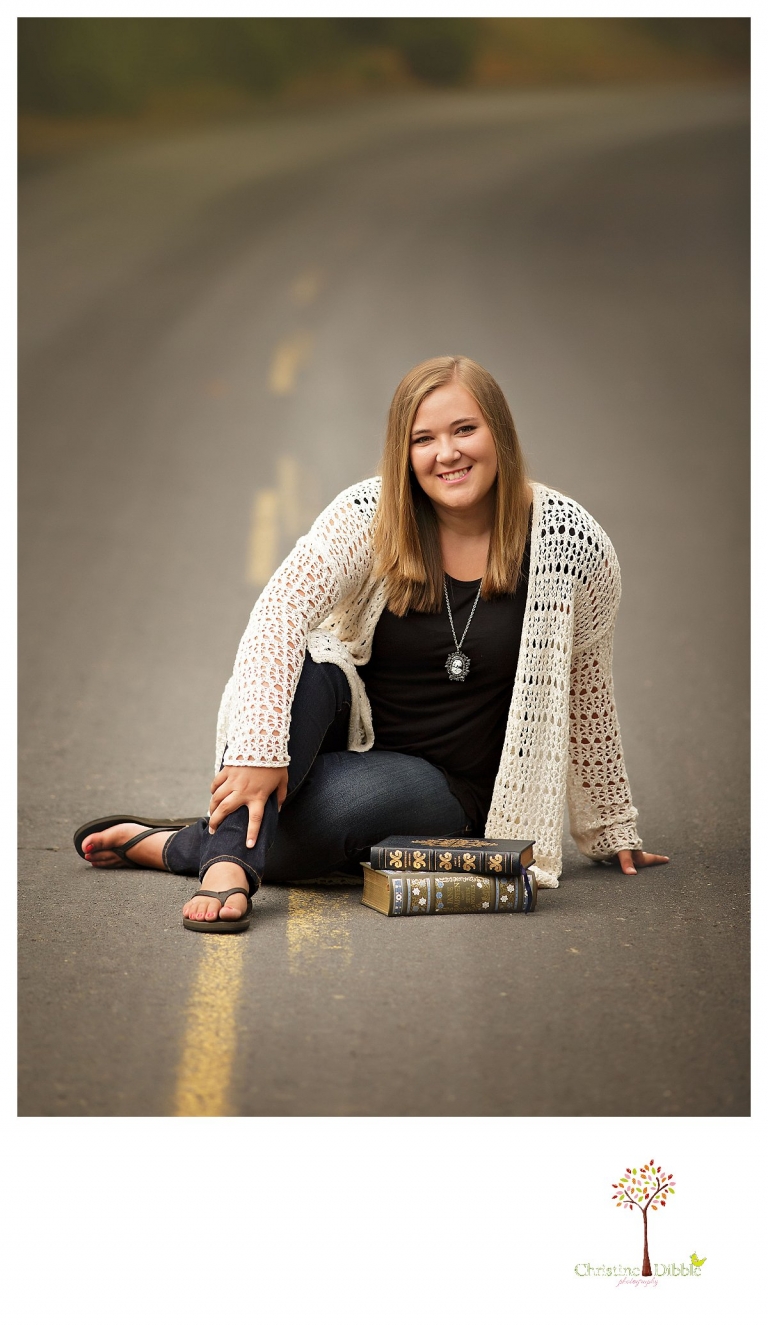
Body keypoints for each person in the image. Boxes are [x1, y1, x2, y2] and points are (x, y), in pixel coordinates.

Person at [74, 355, 668, 932]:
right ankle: (228, 859)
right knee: (305, 665)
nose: (448, 454)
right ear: (403, 452)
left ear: (500, 435)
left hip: (450, 784)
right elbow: (278, 613)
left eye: (465, 430)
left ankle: (177, 845)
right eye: (424, 439)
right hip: (346, 726)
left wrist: (612, 826)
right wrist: (258, 753)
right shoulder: (370, 514)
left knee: (316, 823)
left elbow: (587, 684)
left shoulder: (570, 544)